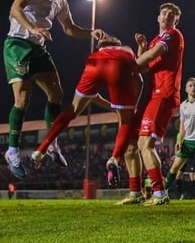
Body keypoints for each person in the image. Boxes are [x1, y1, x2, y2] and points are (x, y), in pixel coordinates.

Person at [2, 0, 106, 178]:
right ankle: (12, 151)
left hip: (38, 47)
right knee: (23, 98)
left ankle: (51, 144)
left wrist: (91, 32)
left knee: (56, 93)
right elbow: (15, 9)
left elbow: (69, 28)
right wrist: (32, 28)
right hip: (18, 44)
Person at [30, 34, 144, 192]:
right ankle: (115, 158)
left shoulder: (96, 53)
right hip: (119, 65)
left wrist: (111, 106)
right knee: (125, 123)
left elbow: (92, 96)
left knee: (73, 109)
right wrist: (131, 108)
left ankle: (42, 147)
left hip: (94, 64)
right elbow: (140, 80)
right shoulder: (126, 50)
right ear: (118, 43)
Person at [117, 2, 184, 206]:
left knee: (144, 144)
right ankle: (135, 192)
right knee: (130, 144)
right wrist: (141, 49)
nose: (166, 17)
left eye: (171, 15)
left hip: (163, 95)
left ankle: (159, 192)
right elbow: (145, 66)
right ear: (157, 17)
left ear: (176, 20)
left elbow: (150, 57)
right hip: (151, 96)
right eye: (163, 13)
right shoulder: (157, 40)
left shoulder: (173, 35)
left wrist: (128, 67)